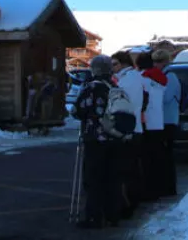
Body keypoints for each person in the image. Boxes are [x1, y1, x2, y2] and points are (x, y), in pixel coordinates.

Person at [71, 55, 121, 229]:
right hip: (114, 137)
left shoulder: (90, 88)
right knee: (111, 177)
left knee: (94, 178)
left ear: (94, 69)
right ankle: (112, 214)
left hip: (95, 138)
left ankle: (94, 217)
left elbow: (77, 111)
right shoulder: (114, 86)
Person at [110, 50, 147, 215]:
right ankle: (132, 201)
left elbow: (122, 103)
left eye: (115, 64)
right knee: (132, 168)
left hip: (128, 129)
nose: (113, 68)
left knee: (126, 170)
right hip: (136, 126)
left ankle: (128, 205)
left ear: (123, 63)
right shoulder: (136, 77)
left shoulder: (127, 80)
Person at [136, 52, 168, 201]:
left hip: (145, 123)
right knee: (158, 159)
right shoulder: (161, 78)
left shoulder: (142, 78)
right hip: (158, 122)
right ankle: (159, 189)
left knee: (146, 160)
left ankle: (148, 191)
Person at [154, 48, 181, 197]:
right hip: (164, 119)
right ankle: (166, 186)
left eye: (158, 61)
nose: (156, 64)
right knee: (164, 155)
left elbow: (166, 98)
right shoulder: (164, 75)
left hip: (168, 120)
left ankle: (169, 188)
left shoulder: (170, 77)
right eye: (154, 61)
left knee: (167, 155)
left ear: (165, 62)